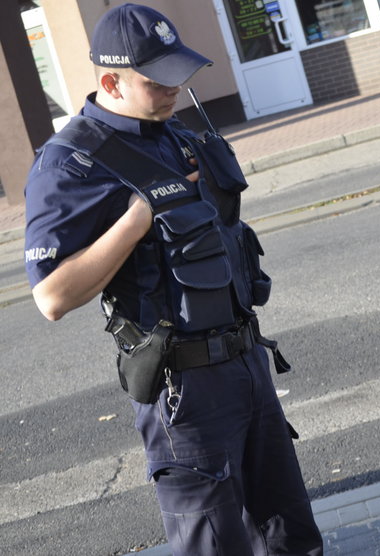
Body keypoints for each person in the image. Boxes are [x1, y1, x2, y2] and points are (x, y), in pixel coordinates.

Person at [23, 4, 323, 555]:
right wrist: (135, 218)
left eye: (179, 74)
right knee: (216, 544)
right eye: (157, 81)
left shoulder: (173, 132)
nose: (175, 90)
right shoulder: (72, 163)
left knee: (291, 536)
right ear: (110, 81)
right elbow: (52, 296)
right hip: (183, 391)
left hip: (247, 361)